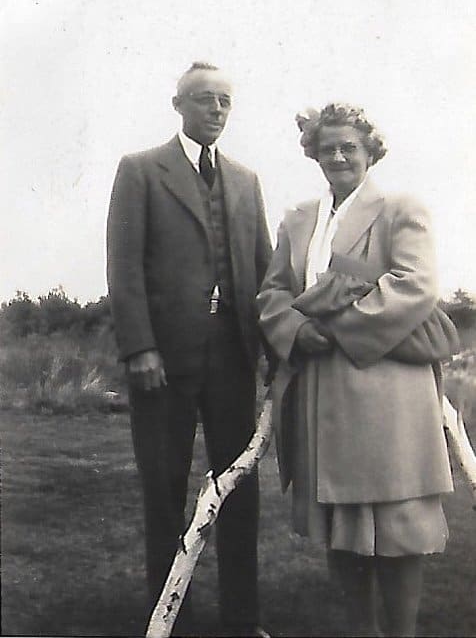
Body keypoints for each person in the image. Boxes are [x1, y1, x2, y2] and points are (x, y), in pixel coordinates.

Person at [257, 103, 454, 637]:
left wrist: (337, 329)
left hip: (386, 389)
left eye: (349, 146)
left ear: (370, 152)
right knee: (341, 526)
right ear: (314, 155)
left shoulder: (399, 208)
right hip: (321, 388)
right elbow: (274, 290)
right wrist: (296, 332)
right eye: (328, 148)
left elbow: (414, 284)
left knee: (397, 526)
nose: (338, 156)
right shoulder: (299, 217)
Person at [107, 62, 272, 637]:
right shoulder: (140, 171)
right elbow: (123, 268)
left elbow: (265, 273)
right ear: (177, 104)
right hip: (162, 362)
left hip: (233, 357)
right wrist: (139, 349)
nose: (217, 111)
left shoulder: (247, 181)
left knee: (237, 490)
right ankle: (169, 617)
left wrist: (274, 351)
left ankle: (242, 617)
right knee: (164, 488)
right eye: (206, 100)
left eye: (226, 101)